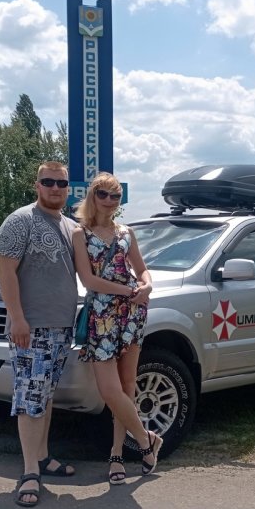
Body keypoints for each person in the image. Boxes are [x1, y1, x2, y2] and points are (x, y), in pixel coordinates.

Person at [0, 161, 78, 507]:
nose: (55, 188)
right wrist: (17, 318)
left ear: (68, 187)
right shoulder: (20, 221)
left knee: (46, 395)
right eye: (48, 181)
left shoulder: (70, 226)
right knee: (30, 398)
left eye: (61, 183)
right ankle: (29, 472)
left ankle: (42, 457)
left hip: (62, 327)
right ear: (37, 185)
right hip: (32, 327)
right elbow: (6, 272)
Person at [71, 172, 162, 485]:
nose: (109, 201)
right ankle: (147, 440)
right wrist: (128, 290)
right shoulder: (80, 234)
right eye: (103, 194)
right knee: (109, 391)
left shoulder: (126, 232)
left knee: (127, 386)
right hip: (102, 316)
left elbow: (142, 269)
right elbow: (88, 280)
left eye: (115, 196)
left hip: (132, 313)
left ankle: (117, 454)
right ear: (92, 196)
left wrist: (147, 286)